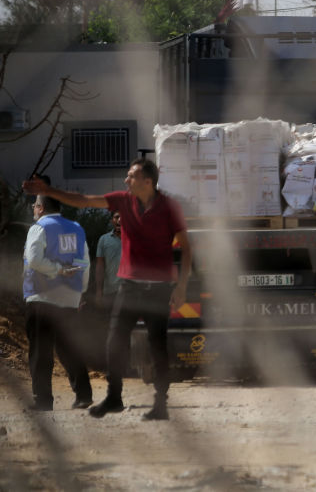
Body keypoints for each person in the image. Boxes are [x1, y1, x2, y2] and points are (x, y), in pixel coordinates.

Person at [23, 158, 192, 421]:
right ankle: (114, 397)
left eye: (131, 176)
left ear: (147, 181)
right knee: (115, 341)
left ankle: (161, 402)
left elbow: (187, 247)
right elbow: (84, 200)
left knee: (157, 344)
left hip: (158, 289)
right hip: (129, 286)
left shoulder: (170, 207)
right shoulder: (123, 200)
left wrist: (181, 286)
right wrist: (48, 190)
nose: (126, 180)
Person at [22, 194, 93, 411]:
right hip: (69, 297)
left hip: (42, 296)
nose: (34, 209)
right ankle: (83, 395)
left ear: (41, 208)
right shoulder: (77, 228)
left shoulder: (39, 227)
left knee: (40, 351)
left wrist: (56, 270)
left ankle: (43, 400)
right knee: (69, 347)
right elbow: (85, 262)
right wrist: (80, 290)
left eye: (35, 205)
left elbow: (33, 259)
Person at [94, 211, 123, 309]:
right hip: (110, 291)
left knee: (127, 322)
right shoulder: (104, 239)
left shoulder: (134, 239)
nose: (120, 220)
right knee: (109, 322)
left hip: (130, 292)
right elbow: (100, 266)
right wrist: (99, 291)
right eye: (117, 217)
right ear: (112, 220)